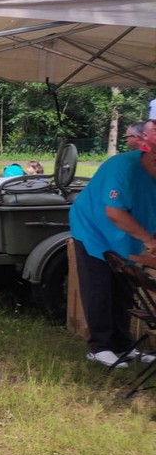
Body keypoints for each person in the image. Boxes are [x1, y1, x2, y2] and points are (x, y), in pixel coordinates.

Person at [69, 118, 156, 368]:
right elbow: (114, 212)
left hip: (127, 236)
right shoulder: (123, 168)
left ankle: (124, 345)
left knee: (124, 290)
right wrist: (149, 240)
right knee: (100, 287)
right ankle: (100, 347)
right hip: (93, 229)